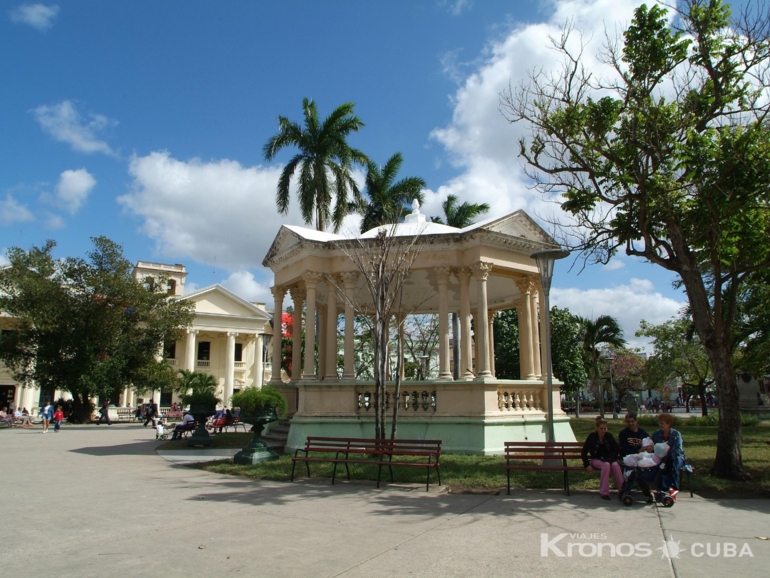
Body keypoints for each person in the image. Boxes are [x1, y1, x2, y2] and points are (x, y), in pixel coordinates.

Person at [581, 417, 623, 500]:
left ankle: (622, 490)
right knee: (606, 465)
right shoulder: (592, 437)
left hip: (609, 459)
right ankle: (604, 492)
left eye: (605, 428)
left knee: (615, 465)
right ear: (596, 428)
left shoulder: (609, 436)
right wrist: (587, 465)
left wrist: (613, 458)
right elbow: (584, 452)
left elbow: (616, 449)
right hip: (596, 459)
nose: (603, 431)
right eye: (601, 429)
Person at [652, 413, 685, 501]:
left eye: (662, 423)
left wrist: (667, 456)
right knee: (662, 464)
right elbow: (653, 447)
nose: (660, 425)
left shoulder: (676, 434)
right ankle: (666, 489)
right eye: (659, 423)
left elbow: (678, 449)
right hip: (661, 458)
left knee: (672, 461)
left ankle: (670, 488)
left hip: (676, 458)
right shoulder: (656, 434)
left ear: (668, 424)